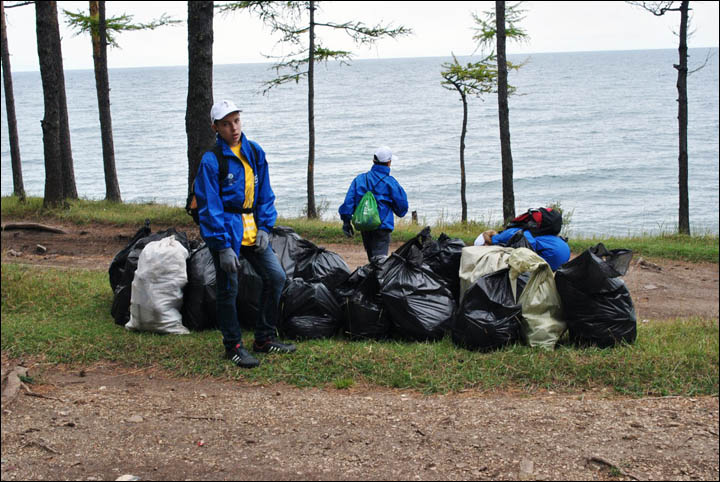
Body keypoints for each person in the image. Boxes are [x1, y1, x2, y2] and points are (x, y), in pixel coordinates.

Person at [194, 100, 296, 369]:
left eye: (236, 121)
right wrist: (222, 245)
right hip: (227, 232)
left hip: (253, 231)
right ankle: (234, 346)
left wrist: (265, 227)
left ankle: (263, 338)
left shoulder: (254, 151)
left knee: (276, 277)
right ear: (215, 127)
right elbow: (209, 206)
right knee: (229, 289)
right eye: (226, 124)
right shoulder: (211, 161)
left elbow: (265, 194)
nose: (234, 128)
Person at [339, 146, 409, 261]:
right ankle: (377, 278)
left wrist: (346, 222)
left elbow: (348, 202)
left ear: (373, 161)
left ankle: (373, 276)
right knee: (380, 261)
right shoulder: (391, 183)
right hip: (382, 226)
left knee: (372, 258)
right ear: (389, 163)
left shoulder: (360, 179)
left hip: (365, 225)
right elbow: (402, 209)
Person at [475, 227, 571, 271]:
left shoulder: (501, 237)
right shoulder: (514, 230)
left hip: (553, 256)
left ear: (486, 242)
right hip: (565, 252)